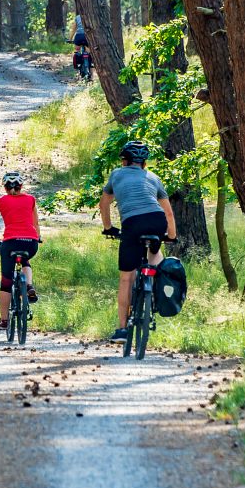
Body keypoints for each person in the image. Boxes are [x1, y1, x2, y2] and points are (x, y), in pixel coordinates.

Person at [99, 141, 177, 344]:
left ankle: (122, 330)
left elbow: (104, 202)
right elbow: (168, 212)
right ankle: (155, 287)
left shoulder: (117, 174)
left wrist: (108, 228)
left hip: (132, 223)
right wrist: (171, 235)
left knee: (126, 278)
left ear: (125, 161)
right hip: (157, 220)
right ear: (144, 163)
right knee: (154, 254)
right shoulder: (154, 177)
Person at [0, 171, 41, 330]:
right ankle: (28, 286)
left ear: (5, 187)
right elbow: (35, 224)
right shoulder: (31, 199)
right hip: (31, 243)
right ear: (21, 186)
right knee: (25, 260)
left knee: (6, 282)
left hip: (10, 243)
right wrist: (38, 237)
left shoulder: (0, 201)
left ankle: (4, 321)